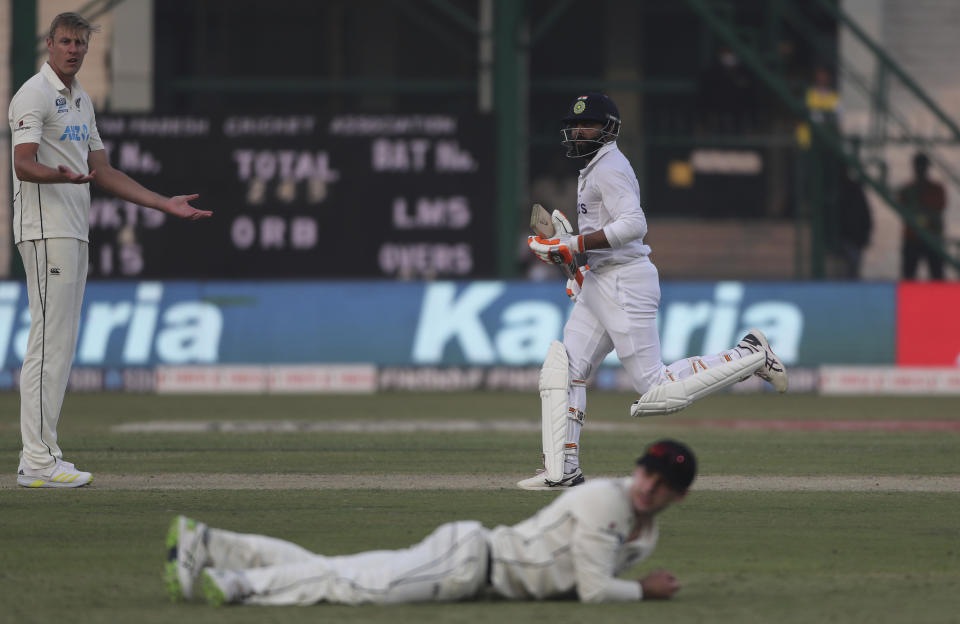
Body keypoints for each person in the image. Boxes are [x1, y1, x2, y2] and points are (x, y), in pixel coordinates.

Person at [522, 93, 787, 490]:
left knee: (656, 390)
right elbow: (604, 235)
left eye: (587, 124)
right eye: (575, 125)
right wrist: (578, 264)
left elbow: (633, 226)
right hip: (602, 278)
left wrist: (573, 246)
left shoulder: (609, 166)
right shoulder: (593, 167)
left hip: (626, 281)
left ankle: (749, 353)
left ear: (608, 128)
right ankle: (563, 470)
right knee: (566, 370)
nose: (577, 131)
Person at [9, 12, 212, 488]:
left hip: (73, 230)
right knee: (49, 343)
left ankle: (38, 456)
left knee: (60, 344)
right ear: (50, 44)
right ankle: (38, 461)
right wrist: (55, 175)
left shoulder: (80, 100)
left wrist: (163, 203)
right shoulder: (33, 95)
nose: (73, 50)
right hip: (44, 229)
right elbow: (21, 163)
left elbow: (103, 171)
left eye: (80, 42)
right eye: (65, 42)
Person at [165, 439, 698, 606]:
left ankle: (210, 543)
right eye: (646, 472)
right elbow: (593, 589)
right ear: (637, 469)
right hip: (471, 563)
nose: (648, 485)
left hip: (475, 565)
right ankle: (238, 584)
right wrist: (645, 593)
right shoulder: (607, 502)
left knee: (340, 569)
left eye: (661, 483)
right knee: (349, 585)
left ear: (678, 495)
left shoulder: (643, 532)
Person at [898, 152, 946, 280]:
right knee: (909, 275)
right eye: (919, 166)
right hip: (913, 237)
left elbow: (938, 208)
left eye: (922, 166)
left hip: (932, 236)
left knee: (937, 275)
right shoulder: (907, 190)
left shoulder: (936, 189)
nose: (921, 170)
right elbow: (903, 210)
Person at [835, 169, 873, 279]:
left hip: (855, 238)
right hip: (847, 237)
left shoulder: (855, 196)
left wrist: (865, 236)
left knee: (852, 267)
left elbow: (866, 218)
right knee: (848, 267)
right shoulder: (842, 195)